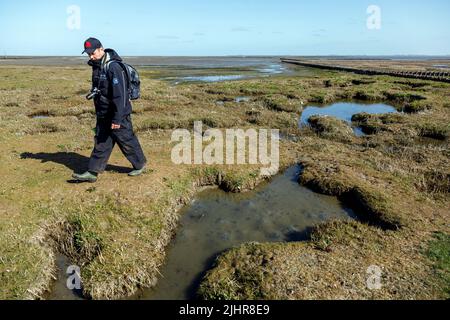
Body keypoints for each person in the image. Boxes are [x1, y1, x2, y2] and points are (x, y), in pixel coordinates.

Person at [72, 38, 147, 182]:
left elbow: (121, 96)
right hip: (103, 113)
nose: (91, 56)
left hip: (118, 113)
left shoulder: (113, 67)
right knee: (101, 141)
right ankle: (92, 172)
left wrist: (117, 119)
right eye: (88, 54)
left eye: (92, 53)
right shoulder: (97, 66)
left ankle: (140, 164)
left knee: (126, 139)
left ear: (101, 49)